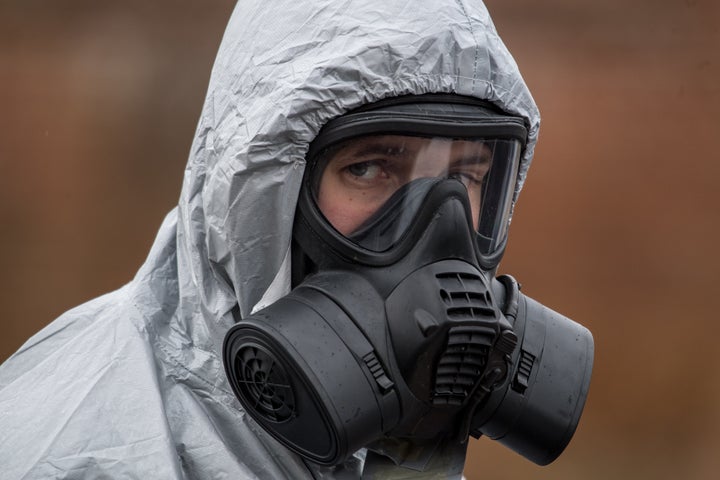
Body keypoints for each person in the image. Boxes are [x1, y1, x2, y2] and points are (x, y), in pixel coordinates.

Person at [0, 1, 593, 478]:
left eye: (465, 176)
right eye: (370, 168)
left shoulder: (385, 448)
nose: (438, 233)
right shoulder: (69, 447)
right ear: (260, 191)